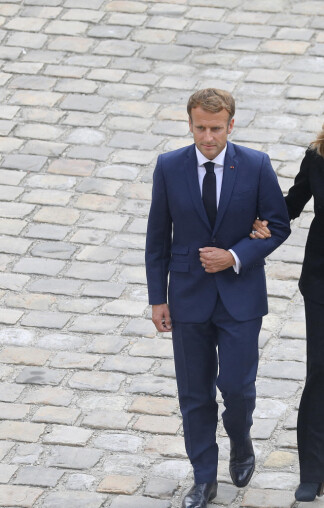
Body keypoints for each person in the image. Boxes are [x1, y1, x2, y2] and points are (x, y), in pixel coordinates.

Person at [145, 88, 291, 508]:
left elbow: (278, 225)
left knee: (238, 386)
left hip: (241, 298)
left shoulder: (256, 165)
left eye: (215, 128)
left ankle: (241, 438)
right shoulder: (170, 166)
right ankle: (203, 479)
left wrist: (234, 255)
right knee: (194, 394)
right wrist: (159, 298)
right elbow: (158, 238)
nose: (207, 137)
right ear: (190, 124)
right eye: (200, 128)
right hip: (187, 298)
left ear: (231, 125)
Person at [251, 133, 324, 502]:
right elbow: (292, 204)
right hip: (322, 282)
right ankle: (313, 470)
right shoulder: (318, 155)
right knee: (320, 373)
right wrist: (254, 220)